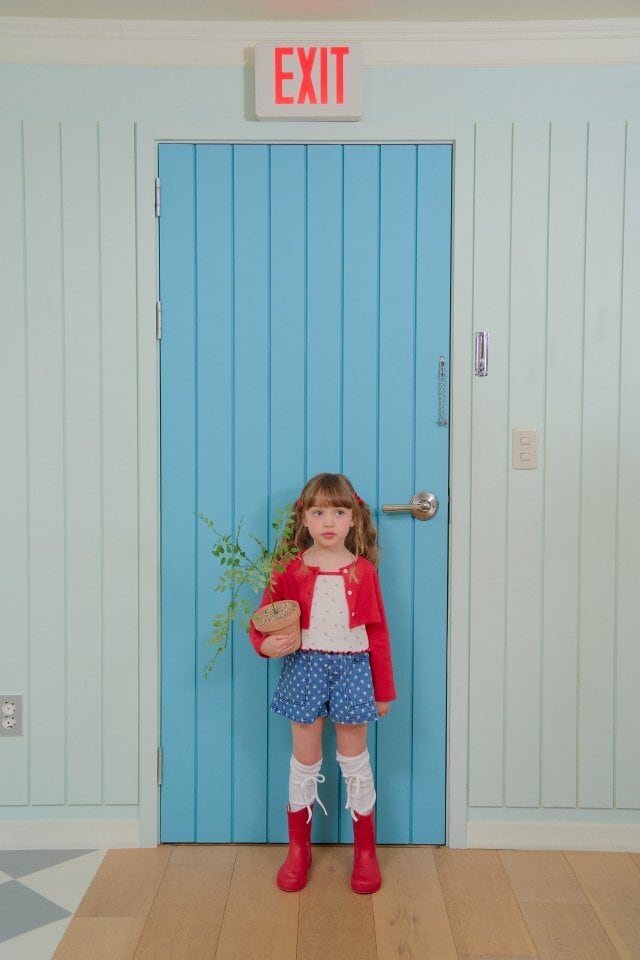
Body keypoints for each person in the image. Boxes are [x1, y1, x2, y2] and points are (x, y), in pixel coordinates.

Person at [249, 473, 396, 895]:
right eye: (318, 512)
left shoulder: (363, 572)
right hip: (304, 669)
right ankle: (299, 851)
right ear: (304, 518)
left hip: (354, 671)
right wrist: (265, 645)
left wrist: (383, 689)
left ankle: (365, 853)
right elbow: (263, 619)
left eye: (338, 512)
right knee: (305, 760)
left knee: (355, 759)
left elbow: (378, 632)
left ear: (354, 519)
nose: (328, 521)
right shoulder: (289, 569)